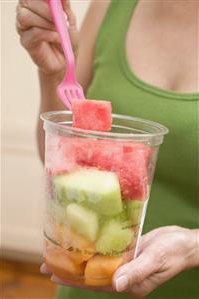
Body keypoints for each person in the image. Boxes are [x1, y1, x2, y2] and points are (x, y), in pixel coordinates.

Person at [16, 0, 199, 298]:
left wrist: (192, 247)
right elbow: (56, 163)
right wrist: (54, 72)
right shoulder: (111, 5)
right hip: (81, 283)